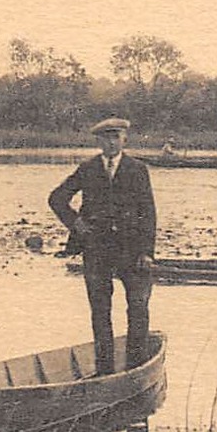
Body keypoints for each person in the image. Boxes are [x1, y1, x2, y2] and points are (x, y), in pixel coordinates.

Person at [49, 117, 156, 377]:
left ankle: (136, 366)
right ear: (98, 141)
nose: (111, 143)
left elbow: (148, 212)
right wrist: (76, 224)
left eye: (115, 137)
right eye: (105, 138)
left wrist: (147, 252)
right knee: (100, 309)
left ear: (124, 139)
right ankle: (104, 370)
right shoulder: (87, 169)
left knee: (138, 306)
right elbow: (57, 198)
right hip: (97, 248)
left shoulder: (137, 169)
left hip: (131, 250)